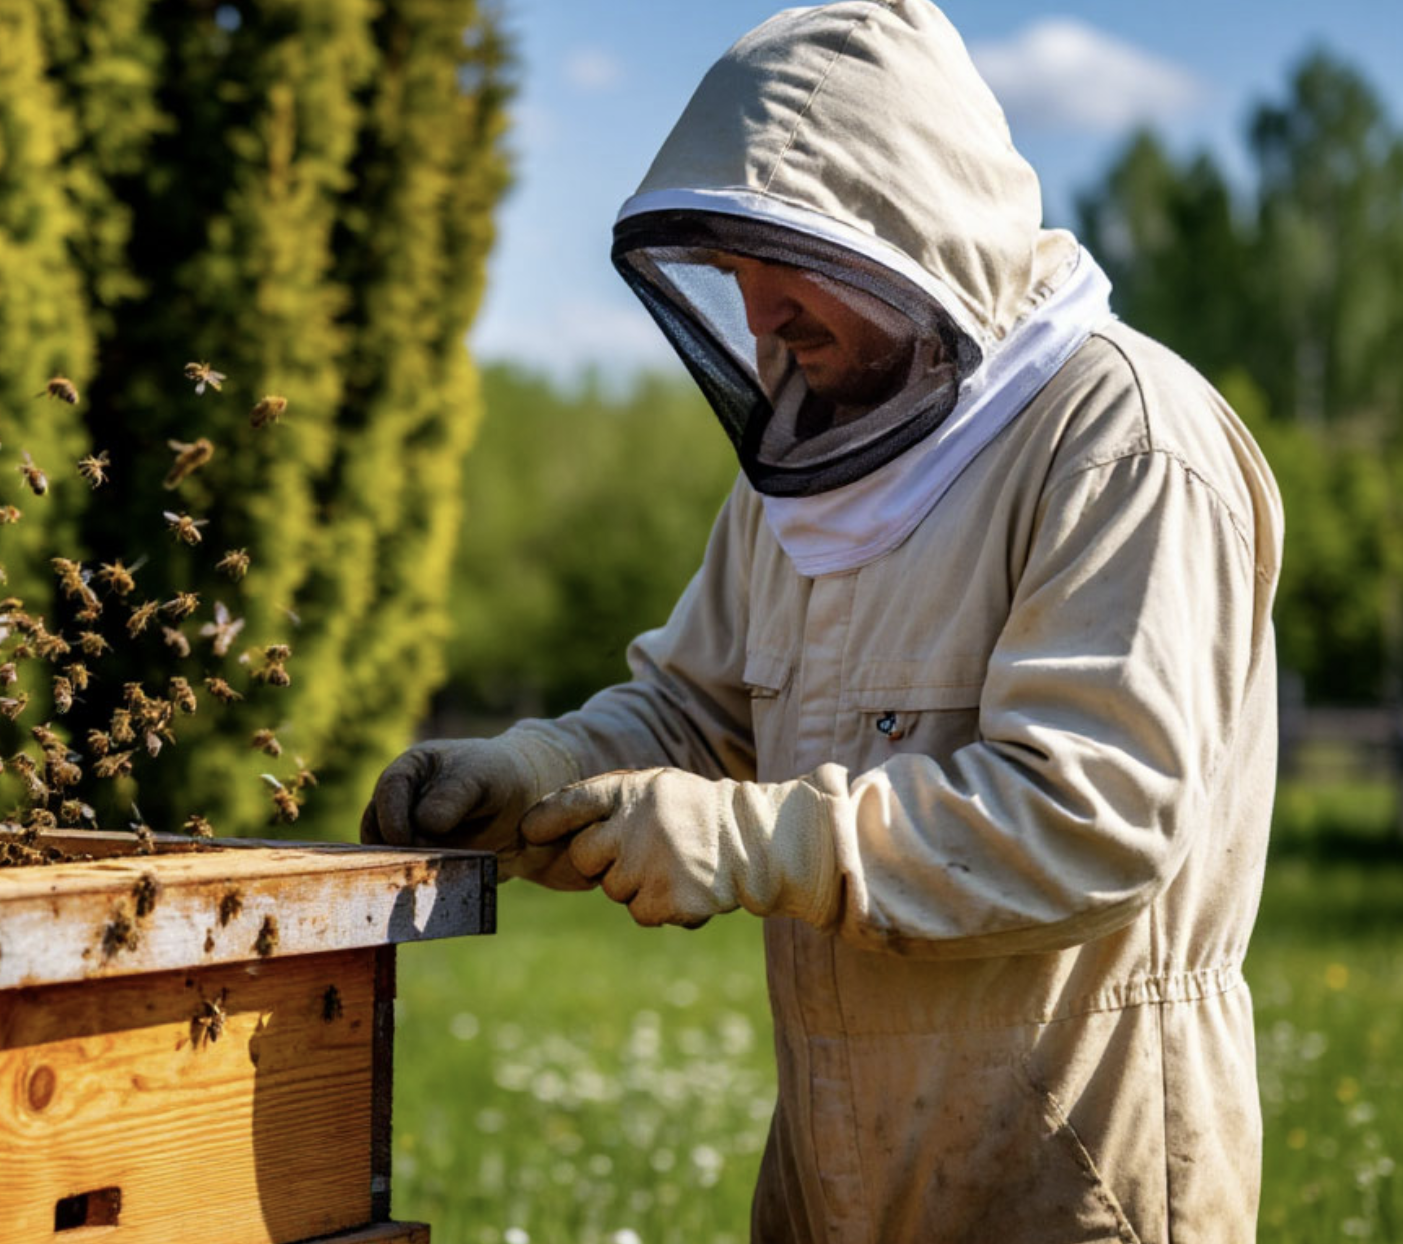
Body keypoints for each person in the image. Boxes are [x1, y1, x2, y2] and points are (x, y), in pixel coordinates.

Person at [361, 1, 1282, 1240]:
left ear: (898, 226)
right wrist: (540, 768)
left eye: (787, 267)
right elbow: (699, 707)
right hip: (830, 1166)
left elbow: (1097, 819)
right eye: (737, 277)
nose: (759, 321)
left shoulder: (1122, 441)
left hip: (1073, 1165)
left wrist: (753, 842)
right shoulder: (818, 453)